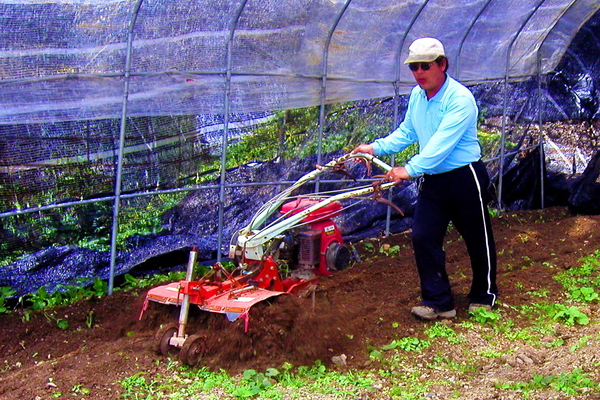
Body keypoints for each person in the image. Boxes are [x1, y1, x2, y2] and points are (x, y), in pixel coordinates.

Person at [352, 37, 497, 320]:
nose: (419, 72)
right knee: (423, 236)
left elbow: (441, 145)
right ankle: (439, 301)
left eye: (425, 66)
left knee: (477, 238)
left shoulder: (460, 99)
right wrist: (376, 147)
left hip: (465, 177)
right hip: (433, 180)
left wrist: (408, 169)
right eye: (414, 67)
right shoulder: (418, 97)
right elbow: (408, 132)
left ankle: (484, 294)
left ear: (442, 65)